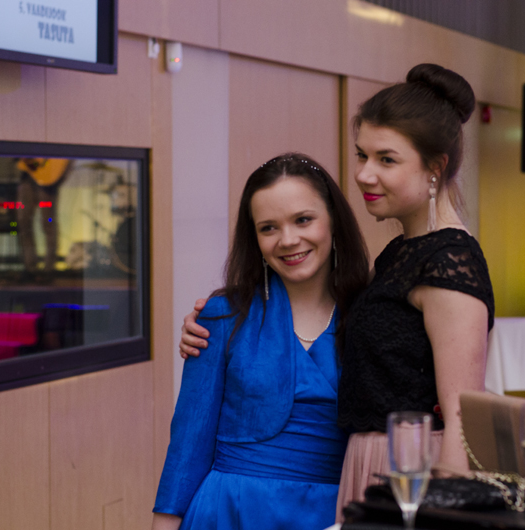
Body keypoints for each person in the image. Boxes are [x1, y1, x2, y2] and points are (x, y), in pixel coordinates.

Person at [179, 63, 494, 521]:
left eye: (386, 159)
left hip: (411, 474)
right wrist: (212, 322)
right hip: (367, 469)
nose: (364, 174)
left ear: (435, 167)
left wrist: (439, 513)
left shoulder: (448, 260)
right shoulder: (398, 256)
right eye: (362, 155)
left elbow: (462, 420)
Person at [153, 153, 368, 530]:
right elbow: (188, 442)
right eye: (268, 228)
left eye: (303, 220)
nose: (288, 240)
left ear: (333, 220)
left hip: (332, 515)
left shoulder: (371, 316)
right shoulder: (223, 314)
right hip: (229, 512)